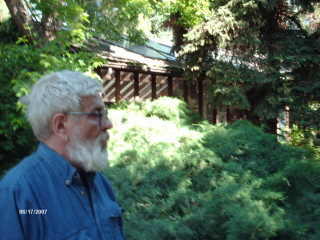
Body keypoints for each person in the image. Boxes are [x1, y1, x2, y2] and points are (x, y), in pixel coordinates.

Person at [0, 70, 125, 240]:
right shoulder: (17, 193)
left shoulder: (100, 183)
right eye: (96, 114)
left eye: (105, 114)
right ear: (60, 126)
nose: (108, 124)